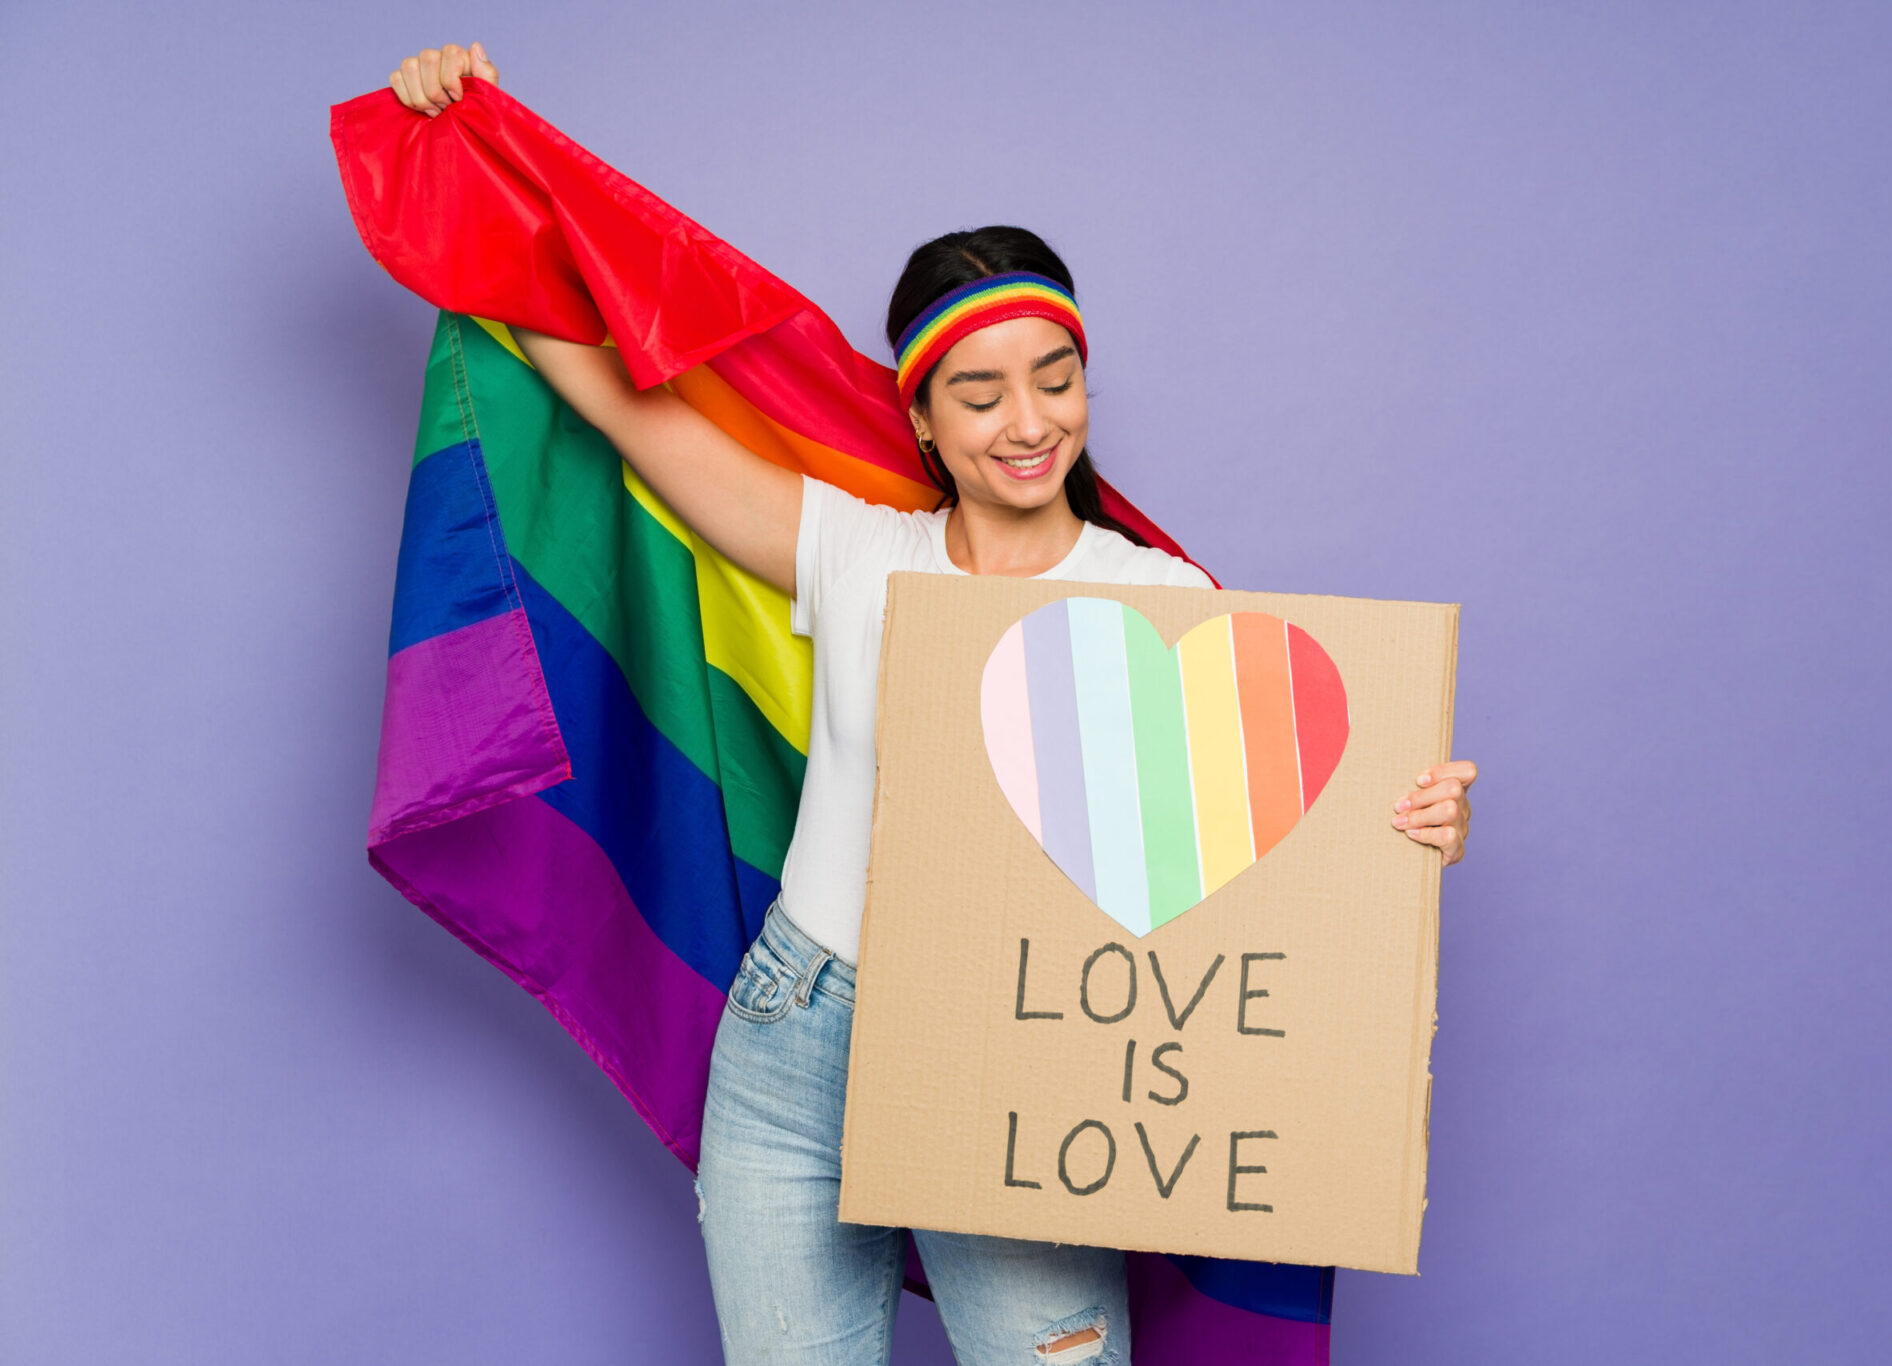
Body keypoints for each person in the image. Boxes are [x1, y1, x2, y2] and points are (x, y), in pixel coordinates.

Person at [387, 43, 1481, 1366]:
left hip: (1012, 1048)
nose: (1028, 422)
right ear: (919, 413)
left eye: (1057, 377)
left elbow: (1259, 846)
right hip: (796, 1031)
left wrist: (1406, 823)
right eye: (981, 390)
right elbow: (634, 412)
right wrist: (470, 158)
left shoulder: (1161, 598)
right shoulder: (858, 554)